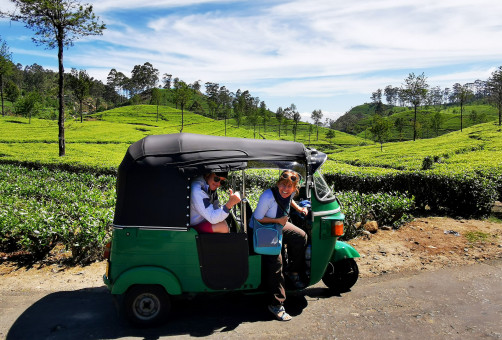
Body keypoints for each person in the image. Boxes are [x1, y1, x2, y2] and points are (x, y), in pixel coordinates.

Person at [250, 170, 308, 321]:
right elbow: (258, 218)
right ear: (278, 183)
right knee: (276, 264)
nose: (285, 189)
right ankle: (276, 304)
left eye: (290, 186)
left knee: (301, 236)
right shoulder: (268, 196)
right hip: (263, 228)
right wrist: (278, 221)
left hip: (279, 224)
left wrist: (299, 208)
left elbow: (289, 199)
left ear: (295, 188)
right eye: (283, 185)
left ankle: (293, 272)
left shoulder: (288, 193)